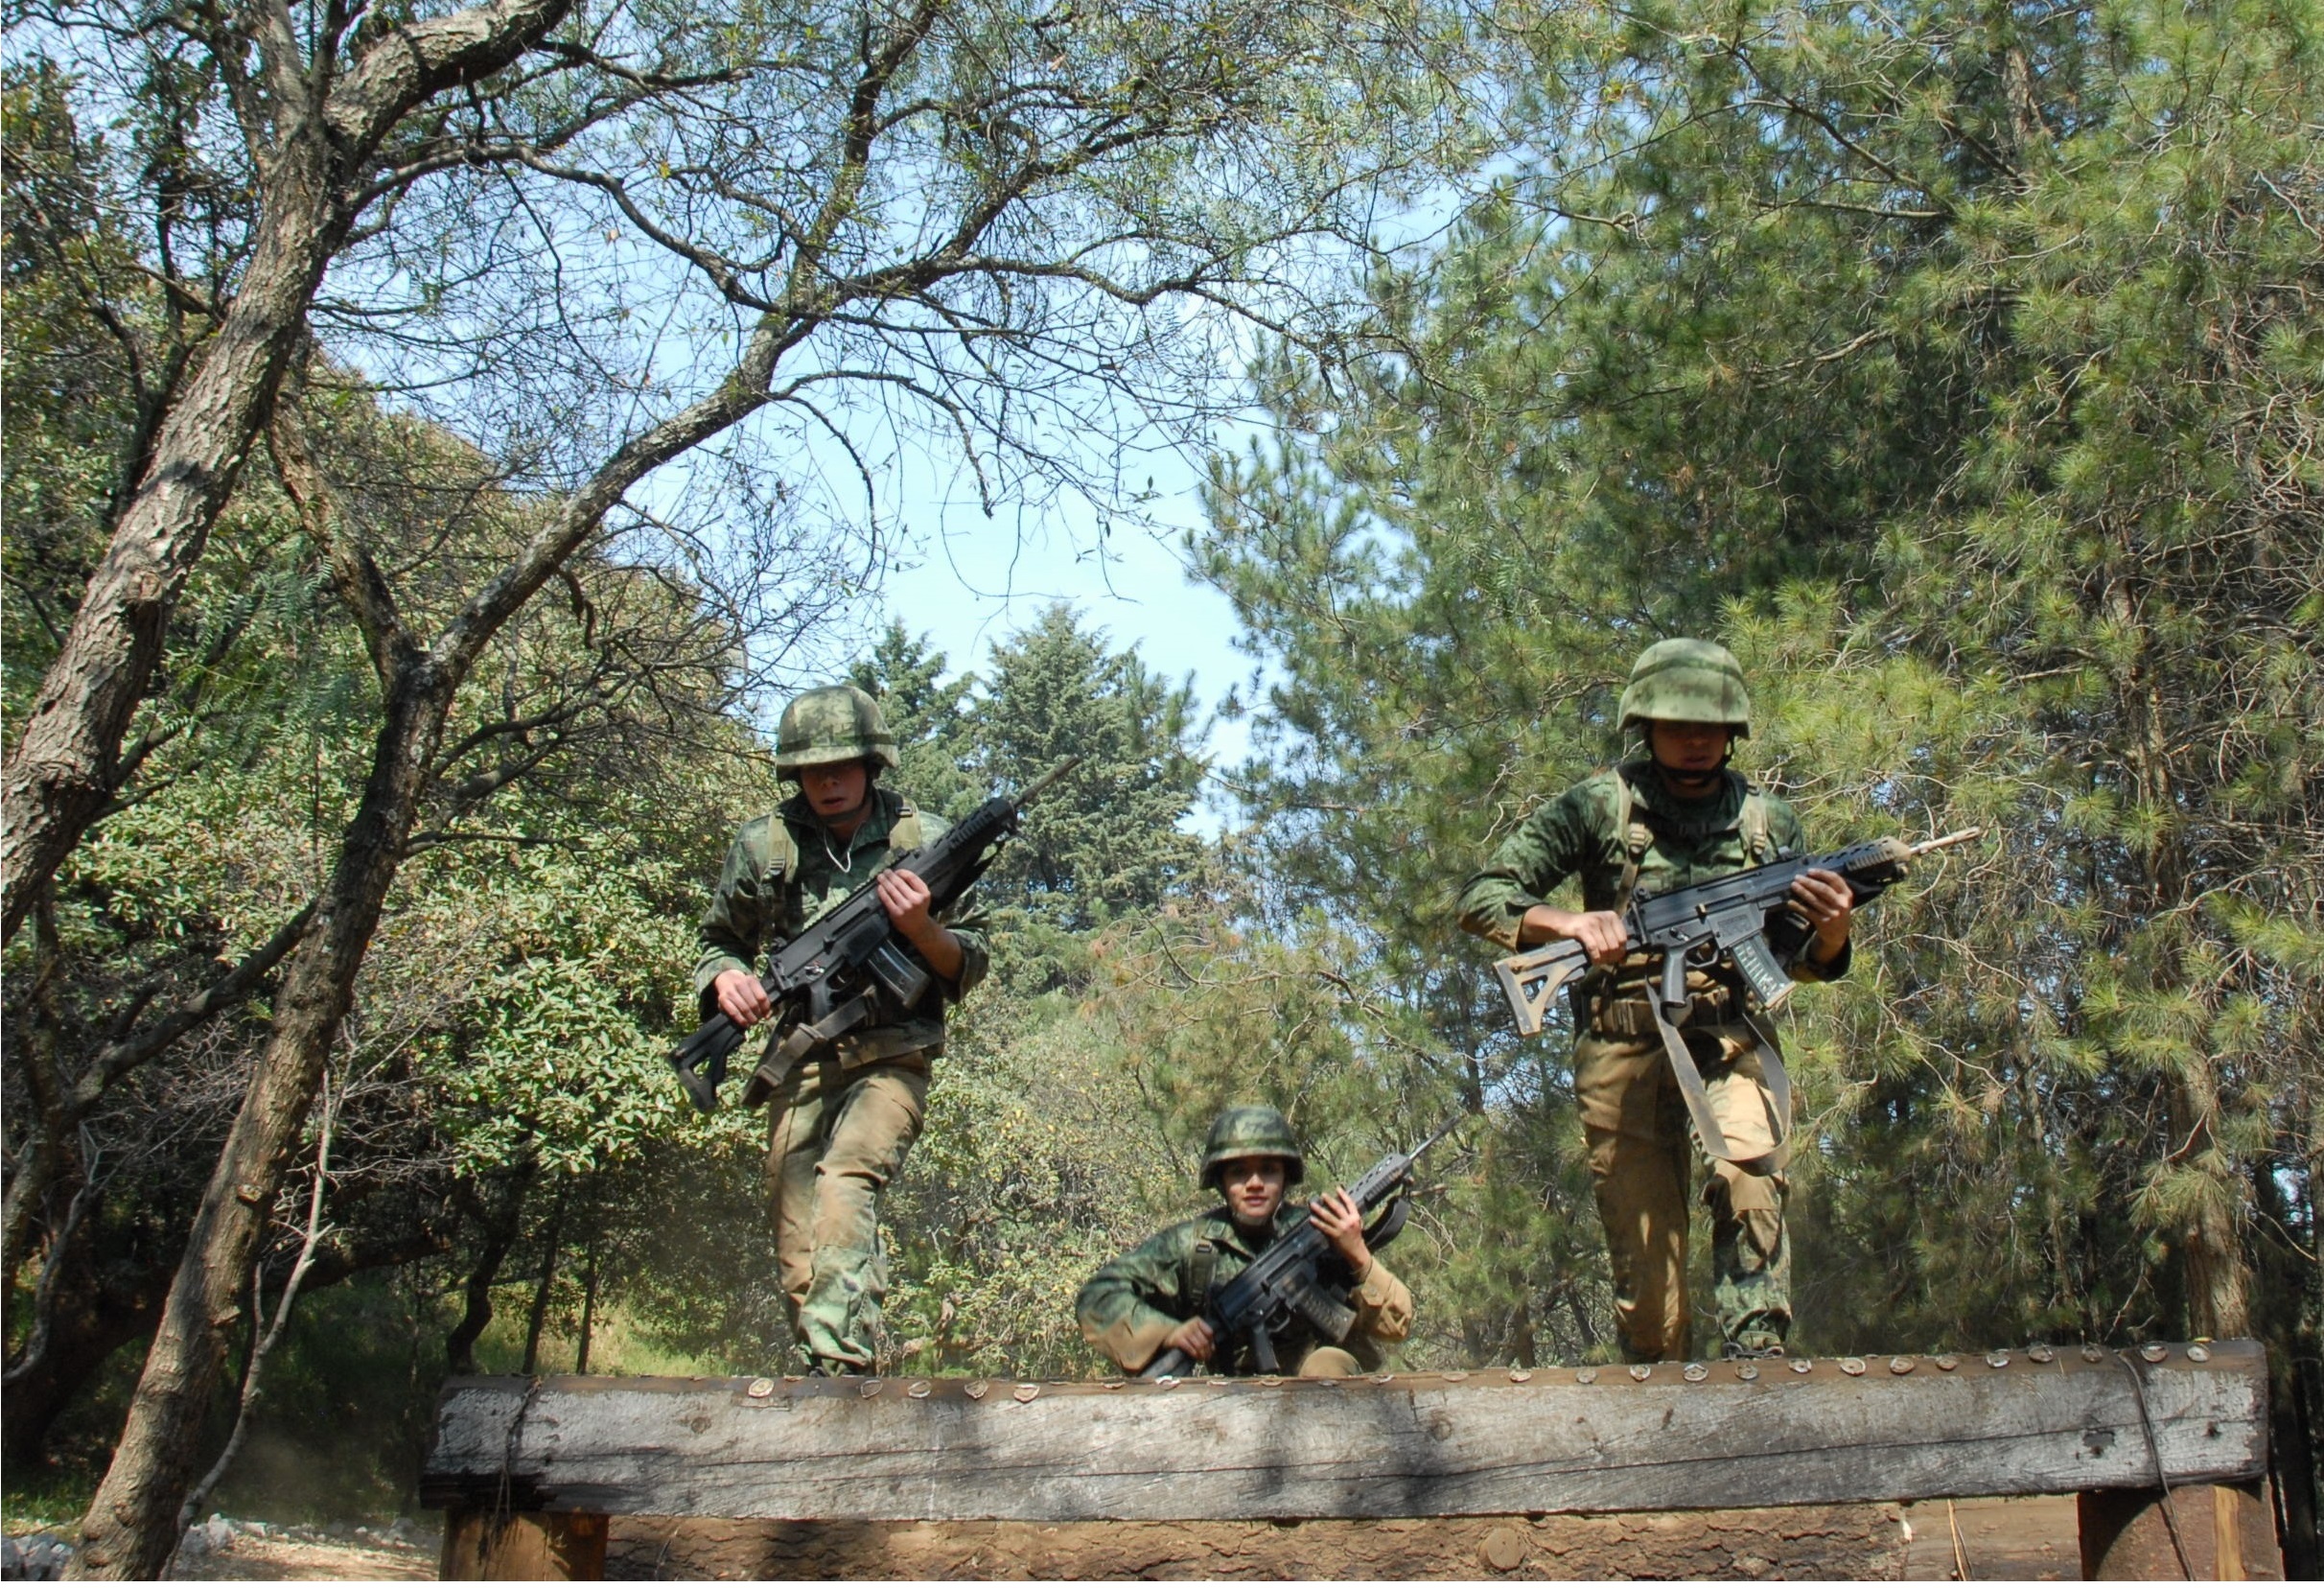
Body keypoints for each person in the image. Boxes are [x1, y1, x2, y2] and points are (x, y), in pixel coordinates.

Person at [1454, 639, 1855, 1363]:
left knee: (1751, 1184)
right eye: (1679, 725)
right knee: (1649, 1289)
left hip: (1728, 1039)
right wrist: (1570, 923)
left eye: (1711, 727)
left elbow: (1799, 960)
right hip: (1622, 1045)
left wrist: (1830, 933)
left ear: (1734, 731)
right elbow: (1483, 897)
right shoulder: (1597, 807)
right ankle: (1665, 1425)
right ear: (1645, 725)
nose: (1697, 741)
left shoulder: (1770, 823)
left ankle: (1759, 1373)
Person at [694, 684, 988, 1374]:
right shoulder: (765, 845)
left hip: (894, 1056)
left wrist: (920, 928)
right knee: (799, 1245)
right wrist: (724, 981)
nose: (827, 781)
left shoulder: (925, 840)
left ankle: (843, 1366)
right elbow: (717, 940)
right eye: (812, 769)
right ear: (794, 774)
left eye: (841, 766)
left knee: (846, 1181)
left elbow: (968, 962)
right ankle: (829, 1373)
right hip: (800, 1057)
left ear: (871, 764)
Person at [1076, 1105, 1412, 1376]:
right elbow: (1097, 1296)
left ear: (1285, 1178)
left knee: (1325, 1365)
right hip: (1234, 1405)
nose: (1255, 1183)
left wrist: (1357, 1255)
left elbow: (1397, 1325)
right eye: (1239, 1172)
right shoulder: (1194, 1244)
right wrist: (1168, 1332)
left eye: (1268, 1169)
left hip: (1329, 1403)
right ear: (1221, 1182)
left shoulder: (1322, 1231)